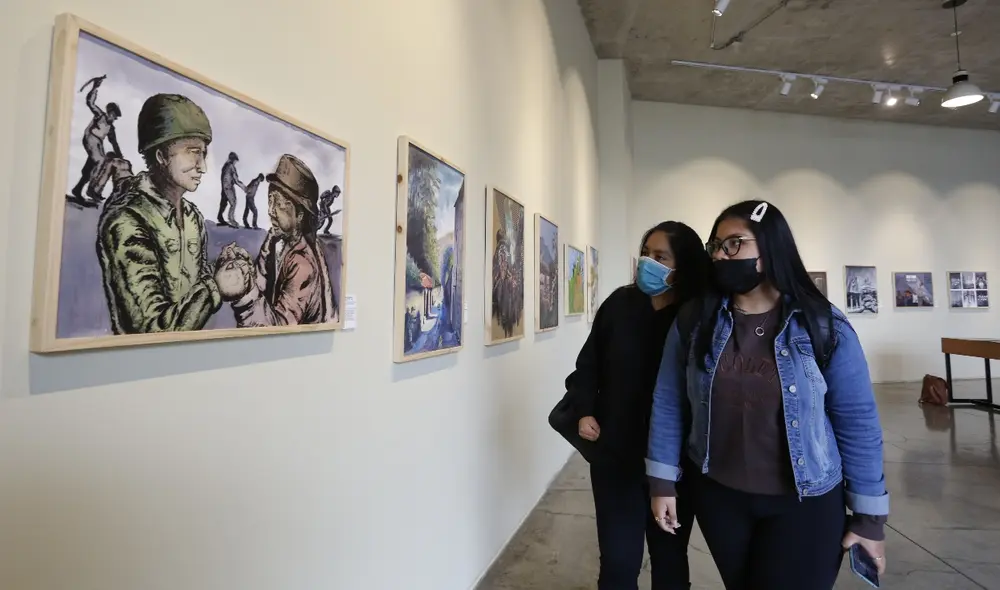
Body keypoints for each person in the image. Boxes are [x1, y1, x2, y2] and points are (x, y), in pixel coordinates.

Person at [647, 200, 889, 590]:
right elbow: (670, 401)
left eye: (733, 244)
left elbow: (857, 420)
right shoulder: (695, 321)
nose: (721, 255)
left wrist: (869, 517)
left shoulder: (823, 325)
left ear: (771, 248)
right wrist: (661, 481)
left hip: (805, 501)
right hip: (719, 497)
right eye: (716, 246)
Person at [565, 221, 712, 590]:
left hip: (674, 462)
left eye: (660, 257)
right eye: (646, 253)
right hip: (615, 456)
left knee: (669, 558)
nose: (648, 262)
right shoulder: (620, 304)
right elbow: (588, 366)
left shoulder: (698, 316)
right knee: (617, 561)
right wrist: (584, 409)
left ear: (685, 265)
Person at [96, 93, 222, 334]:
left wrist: (222, 269)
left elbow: (194, 288)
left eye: (203, 154)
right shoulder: (127, 220)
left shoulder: (192, 218)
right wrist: (215, 287)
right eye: (192, 152)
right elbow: (152, 330)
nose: (202, 166)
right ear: (161, 156)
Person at [215, 153, 337, 326]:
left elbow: (279, 327)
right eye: (269, 201)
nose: (271, 211)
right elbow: (261, 283)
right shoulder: (275, 241)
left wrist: (245, 296)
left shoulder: (303, 264)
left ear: (300, 214)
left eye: (279, 204)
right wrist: (244, 269)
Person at [70, 76, 122, 205]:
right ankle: (92, 190)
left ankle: (77, 189)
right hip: (90, 138)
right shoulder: (100, 115)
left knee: (89, 170)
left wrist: (120, 155)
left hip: (98, 144)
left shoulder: (111, 128)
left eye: (115, 117)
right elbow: (90, 103)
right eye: (113, 115)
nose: (113, 118)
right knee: (100, 160)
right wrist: (95, 87)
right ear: (109, 112)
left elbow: (114, 143)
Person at [217, 152, 246, 227]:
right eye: (236, 160)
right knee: (233, 203)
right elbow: (236, 180)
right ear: (233, 160)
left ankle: (220, 217)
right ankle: (231, 220)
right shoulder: (231, 166)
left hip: (224, 187)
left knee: (223, 203)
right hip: (228, 187)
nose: (236, 162)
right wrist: (244, 188)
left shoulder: (225, 166)